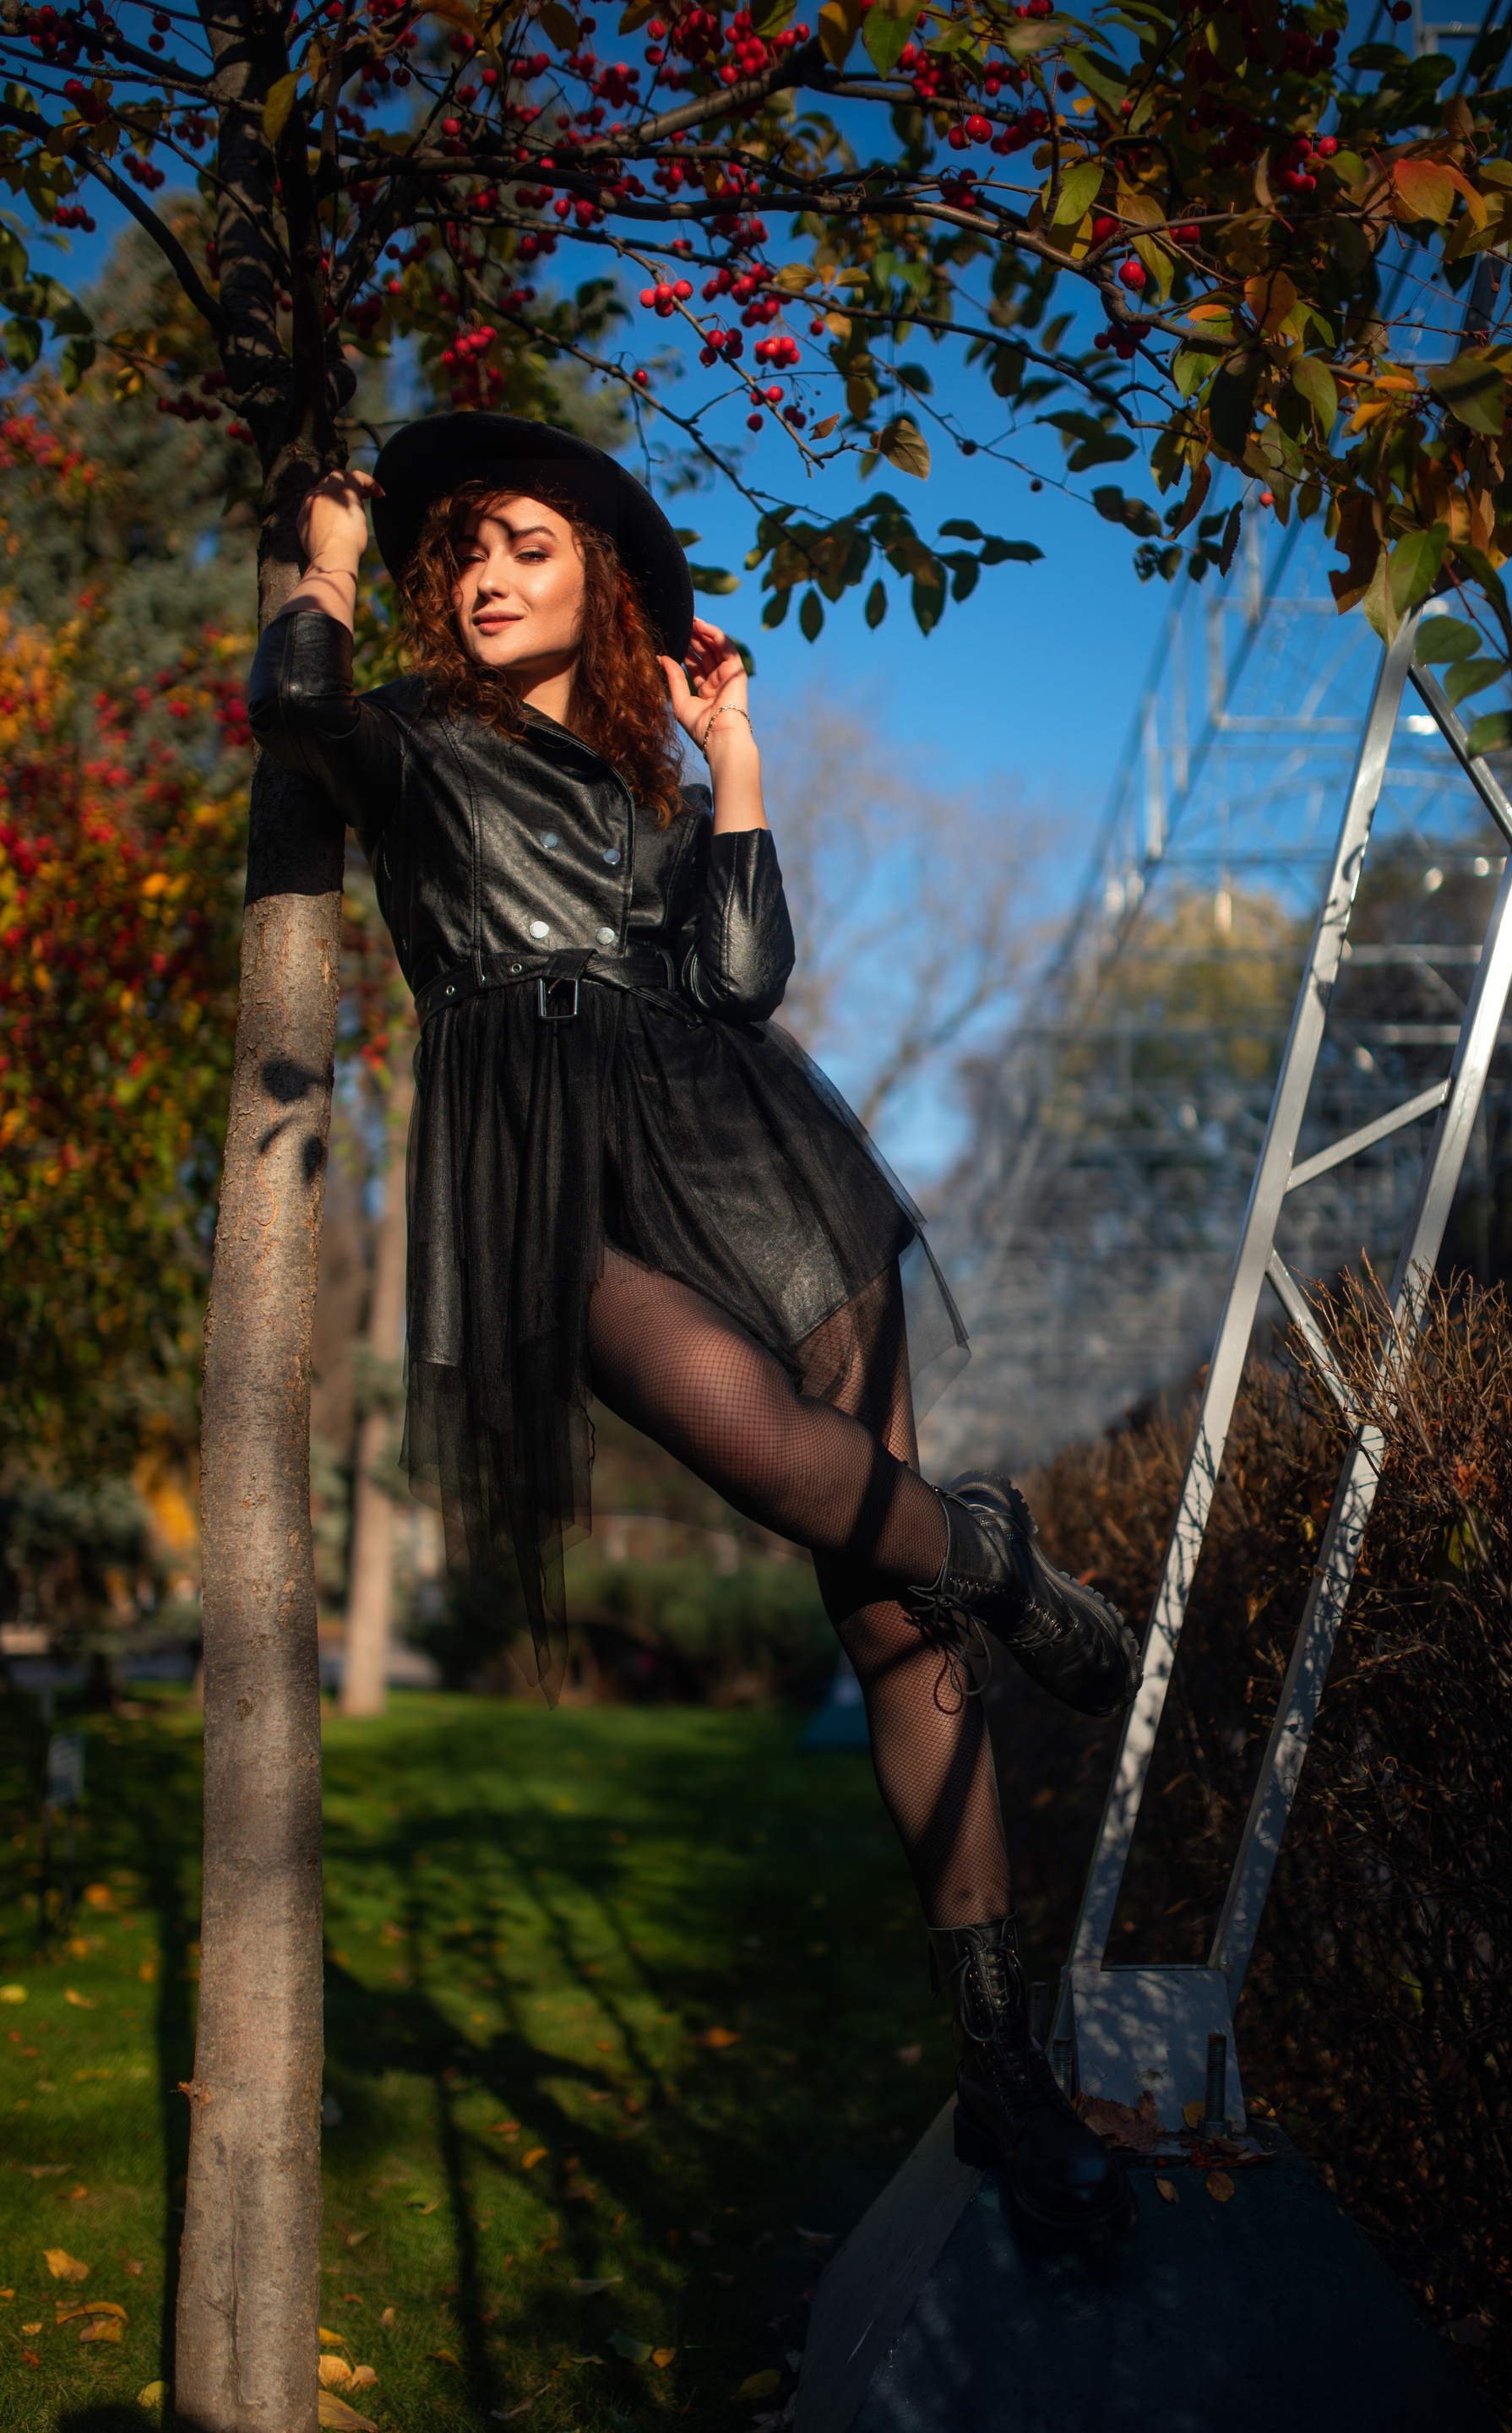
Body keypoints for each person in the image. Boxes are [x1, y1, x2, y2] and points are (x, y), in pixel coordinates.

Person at [248, 413, 1144, 2244]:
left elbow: (742, 978)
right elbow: (294, 705)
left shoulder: (657, 782)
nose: (488, 578)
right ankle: (995, 1550)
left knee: (888, 1622)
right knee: (754, 1443)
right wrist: (328, 561)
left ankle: (1001, 2074)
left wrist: (732, 748)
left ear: (604, 586)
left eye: (530, 549)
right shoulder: (413, 740)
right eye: (468, 551)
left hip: (757, 1162)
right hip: (549, 1188)